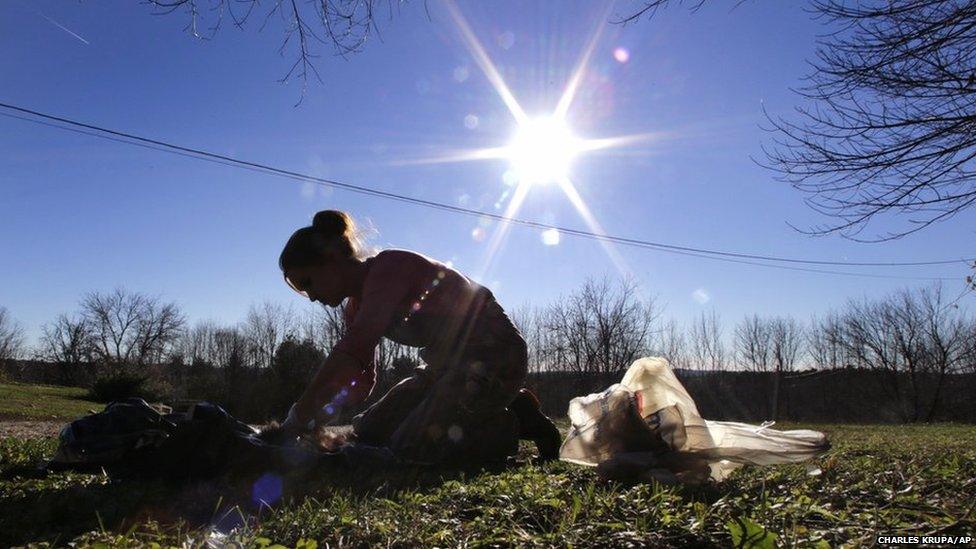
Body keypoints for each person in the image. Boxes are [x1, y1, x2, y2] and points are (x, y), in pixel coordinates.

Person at [277, 210, 561, 464]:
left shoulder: (388, 268)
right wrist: (328, 405)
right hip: (443, 369)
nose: (311, 297)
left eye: (309, 282)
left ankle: (510, 423)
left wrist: (299, 413)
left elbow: (354, 348)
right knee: (367, 432)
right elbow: (361, 376)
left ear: (333, 257)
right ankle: (501, 403)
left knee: (411, 447)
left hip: (496, 356)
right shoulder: (355, 309)